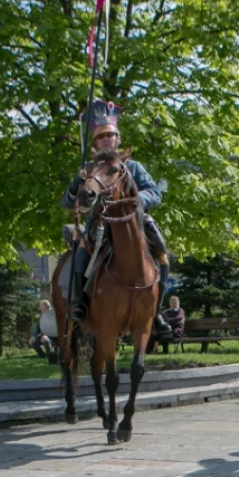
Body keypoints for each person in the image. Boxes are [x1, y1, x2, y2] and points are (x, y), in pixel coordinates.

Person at [61, 99, 172, 337]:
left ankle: (156, 310)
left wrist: (136, 199)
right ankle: (78, 304)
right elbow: (67, 203)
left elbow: (155, 192)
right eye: (102, 138)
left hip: (134, 222)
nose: (107, 140)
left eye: (111, 136)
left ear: (117, 139)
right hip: (99, 225)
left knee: (162, 256)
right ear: (96, 142)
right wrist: (77, 185)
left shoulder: (133, 166)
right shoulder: (89, 169)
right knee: (79, 256)